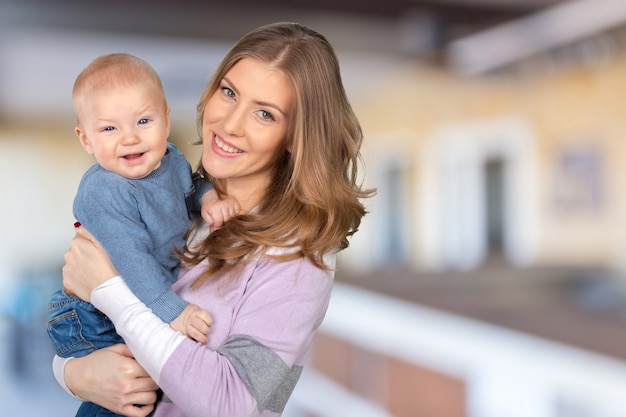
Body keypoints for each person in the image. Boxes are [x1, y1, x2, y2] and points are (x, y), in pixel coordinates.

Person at [57, 22, 374, 417]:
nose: (229, 124)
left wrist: (108, 289)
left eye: (264, 113)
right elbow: (110, 352)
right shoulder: (177, 200)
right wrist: (73, 373)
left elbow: (231, 405)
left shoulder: (298, 259)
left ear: (296, 136)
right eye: (229, 92)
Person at [47, 53, 239, 416]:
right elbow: (131, 261)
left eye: (143, 120)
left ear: (166, 120)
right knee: (127, 394)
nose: (129, 138)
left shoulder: (170, 159)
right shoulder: (105, 191)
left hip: (133, 298)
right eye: (108, 129)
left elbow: (189, 189)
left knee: (141, 390)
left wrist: (209, 198)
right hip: (90, 312)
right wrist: (174, 314)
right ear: (85, 139)